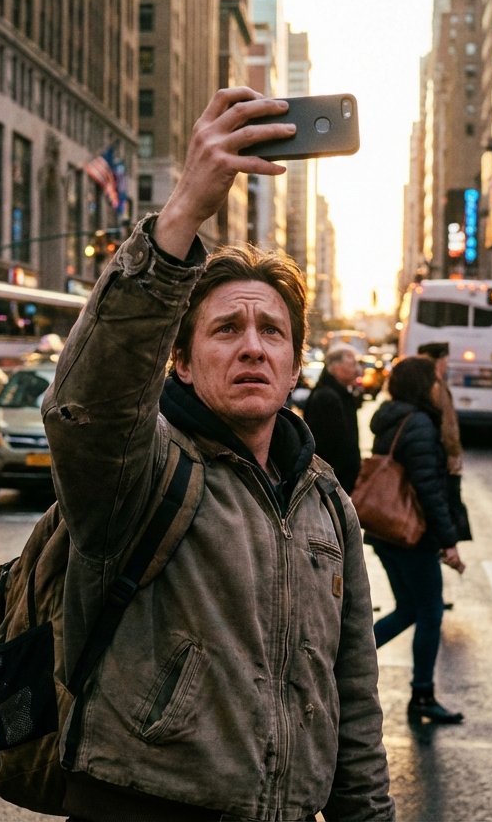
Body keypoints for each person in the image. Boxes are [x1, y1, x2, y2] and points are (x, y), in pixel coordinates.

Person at [40, 88, 393, 821]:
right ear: (182, 362)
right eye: (226, 328)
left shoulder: (326, 502)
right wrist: (181, 218)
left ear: (296, 364)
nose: (253, 346)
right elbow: (87, 409)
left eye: (272, 331)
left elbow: (352, 698)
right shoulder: (140, 472)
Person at [367, 355, 466, 725]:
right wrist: (448, 540)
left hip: (386, 531)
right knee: (429, 612)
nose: (438, 386)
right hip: (410, 535)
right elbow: (429, 490)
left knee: (409, 608)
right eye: (433, 380)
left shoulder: (391, 417)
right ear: (421, 385)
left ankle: (341, 664)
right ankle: (422, 694)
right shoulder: (421, 424)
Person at [416, 341, 467, 532]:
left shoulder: (431, 383)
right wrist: (453, 453)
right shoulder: (435, 386)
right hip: (438, 457)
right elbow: (447, 426)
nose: (447, 364)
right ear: (437, 361)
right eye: (445, 360)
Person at [302, 344, 362, 493]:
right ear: (335, 367)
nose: (357, 370)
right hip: (335, 481)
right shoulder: (327, 397)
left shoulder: (337, 393)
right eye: (352, 364)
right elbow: (329, 444)